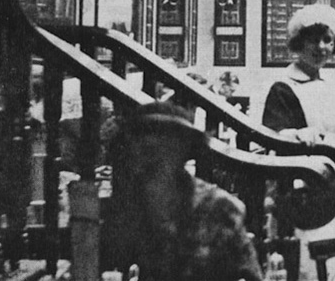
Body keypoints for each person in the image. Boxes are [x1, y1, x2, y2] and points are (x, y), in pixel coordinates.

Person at [262, 6, 335, 281]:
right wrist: (297, 135)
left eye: (327, 40)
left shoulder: (334, 86)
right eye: (313, 40)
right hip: (304, 190)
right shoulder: (284, 87)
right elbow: (275, 136)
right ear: (299, 43)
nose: (320, 47)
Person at [103, 103, 263, 281]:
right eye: (141, 140)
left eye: (162, 143)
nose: (149, 152)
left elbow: (249, 276)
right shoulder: (123, 208)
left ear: (182, 151)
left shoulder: (218, 209)